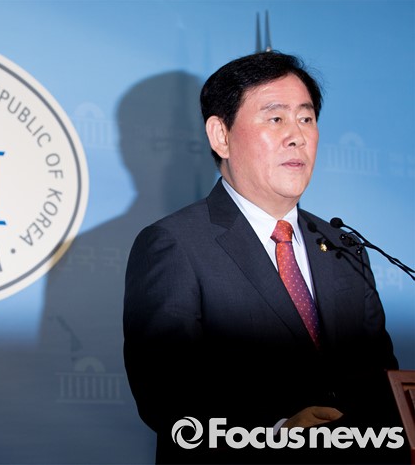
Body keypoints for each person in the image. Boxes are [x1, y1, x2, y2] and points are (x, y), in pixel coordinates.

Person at [123, 51, 404, 464]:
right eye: (275, 119)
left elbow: (382, 379)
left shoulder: (344, 247)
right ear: (221, 136)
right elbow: (164, 396)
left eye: (306, 119)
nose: (297, 136)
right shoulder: (174, 244)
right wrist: (274, 434)